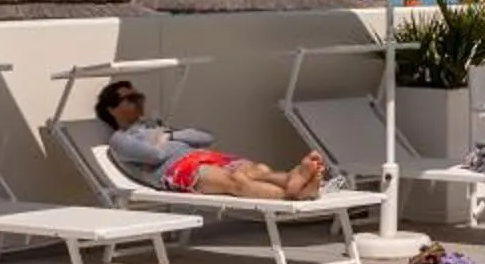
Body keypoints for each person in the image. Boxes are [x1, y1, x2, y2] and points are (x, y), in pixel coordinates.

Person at [93, 78, 329, 201]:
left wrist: (169, 134)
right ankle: (294, 193)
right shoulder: (120, 139)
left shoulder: (158, 127)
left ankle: (293, 179)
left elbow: (206, 137)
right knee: (235, 181)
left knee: (258, 169)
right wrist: (165, 138)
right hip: (176, 169)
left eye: (139, 96)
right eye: (130, 98)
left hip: (202, 156)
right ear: (112, 110)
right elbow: (156, 155)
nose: (138, 100)